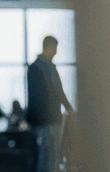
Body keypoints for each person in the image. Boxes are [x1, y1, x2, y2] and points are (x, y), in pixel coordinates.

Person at [27, 36, 74, 172]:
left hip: (40, 122)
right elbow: (58, 91)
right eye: (55, 48)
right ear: (49, 47)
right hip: (49, 120)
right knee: (49, 159)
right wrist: (69, 109)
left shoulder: (34, 67)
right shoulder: (46, 67)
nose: (56, 52)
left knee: (43, 158)